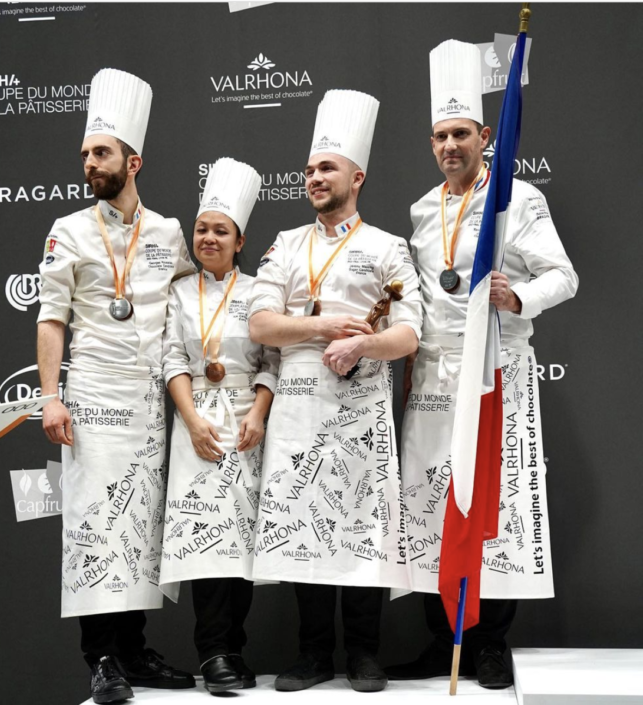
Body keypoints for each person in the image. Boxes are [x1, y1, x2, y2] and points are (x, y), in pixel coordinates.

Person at [386, 40, 578, 689]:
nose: (448, 146)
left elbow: (563, 275)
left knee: (489, 506)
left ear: (483, 135)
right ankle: (443, 642)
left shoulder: (514, 199)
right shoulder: (420, 209)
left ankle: (489, 643)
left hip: (494, 374)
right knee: (429, 506)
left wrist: (517, 294)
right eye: (439, 135)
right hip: (432, 381)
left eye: (460, 134)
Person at [248, 89, 422, 693]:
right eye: (310, 169)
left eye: (326, 168)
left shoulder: (387, 247)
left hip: (361, 409)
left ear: (357, 176)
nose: (314, 177)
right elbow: (260, 324)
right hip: (297, 406)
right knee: (303, 521)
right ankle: (314, 654)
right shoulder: (286, 244)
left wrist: (360, 346)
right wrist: (323, 326)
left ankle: (364, 654)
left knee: (362, 526)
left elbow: (408, 333)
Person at [36, 68, 197, 704]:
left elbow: (195, 298)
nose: (89, 163)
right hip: (94, 395)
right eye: (84, 154)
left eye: (100, 153)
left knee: (138, 527)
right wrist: (51, 395)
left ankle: (133, 649)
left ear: (133, 161)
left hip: (151, 402)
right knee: (94, 526)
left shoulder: (168, 233)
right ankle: (100, 658)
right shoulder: (68, 231)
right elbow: (52, 319)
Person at [158, 157, 278, 694]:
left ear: (239, 239)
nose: (208, 237)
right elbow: (172, 361)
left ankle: (234, 646)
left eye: (220, 230)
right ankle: (212, 655)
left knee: (241, 547)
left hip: (246, 426)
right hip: (197, 423)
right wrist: (190, 421)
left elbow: (273, 361)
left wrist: (258, 412)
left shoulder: (258, 291)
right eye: (202, 228)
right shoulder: (179, 292)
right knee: (206, 546)